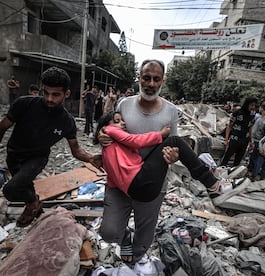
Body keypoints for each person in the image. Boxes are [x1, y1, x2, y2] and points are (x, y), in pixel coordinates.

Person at [98, 59, 247, 264]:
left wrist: (173, 156)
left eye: (156, 79)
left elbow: (173, 147)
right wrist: (101, 135)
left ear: (162, 82)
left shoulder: (170, 111)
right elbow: (114, 132)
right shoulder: (124, 104)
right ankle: (212, 183)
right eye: (146, 78)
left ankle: (135, 262)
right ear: (139, 78)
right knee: (108, 231)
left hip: (153, 180)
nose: (150, 83)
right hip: (122, 179)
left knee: (144, 235)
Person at [0, 67, 102, 227]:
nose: (50, 98)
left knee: (10, 190)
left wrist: (91, 158)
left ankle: (33, 204)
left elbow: (76, 150)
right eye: (46, 93)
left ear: (67, 94)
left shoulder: (67, 122)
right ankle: (34, 205)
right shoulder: (24, 104)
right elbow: (0, 128)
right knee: (24, 187)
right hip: (14, 155)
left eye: (56, 94)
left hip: (37, 158)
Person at [94, 111, 243, 202]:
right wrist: (161, 134)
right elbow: (134, 141)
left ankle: (213, 173)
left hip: (137, 193)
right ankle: (213, 184)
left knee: (169, 144)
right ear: (107, 125)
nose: (123, 123)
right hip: (140, 183)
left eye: (122, 120)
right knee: (174, 140)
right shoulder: (109, 130)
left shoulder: (107, 150)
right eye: (117, 121)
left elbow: (112, 180)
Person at [220, 97, 258, 167]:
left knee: (238, 159)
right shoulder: (237, 113)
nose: (253, 107)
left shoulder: (252, 114)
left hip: (244, 140)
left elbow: (250, 128)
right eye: (251, 105)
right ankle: (220, 170)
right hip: (235, 138)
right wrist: (226, 139)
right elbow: (229, 126)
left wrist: (251, 141)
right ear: (247, 104)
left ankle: (234, 173)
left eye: (254, 105)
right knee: (227, 156)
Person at [247, 104, 265, 175]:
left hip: (259, 141)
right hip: (253, 140)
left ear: (262, 108)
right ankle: (250, 169)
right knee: (252, 156)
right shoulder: (259, 117)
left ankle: (252, 171)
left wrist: (263, 144)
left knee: (255, 157)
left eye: (260, 108)